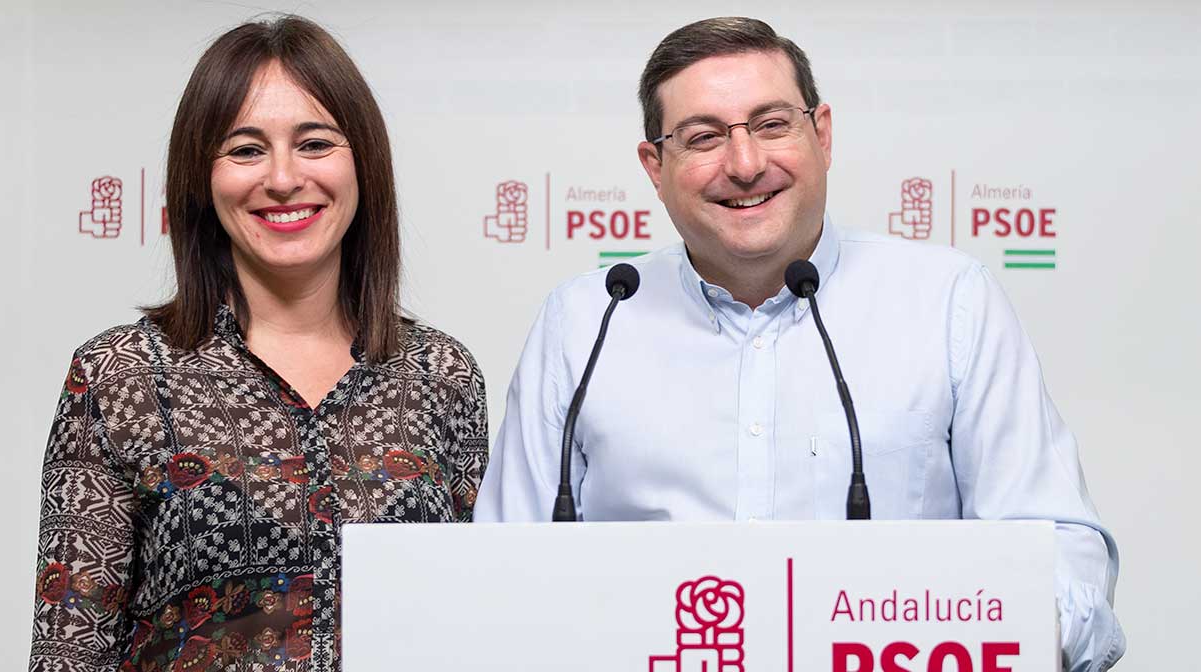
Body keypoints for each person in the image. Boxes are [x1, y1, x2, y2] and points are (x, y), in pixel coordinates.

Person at [474, 16, 1123, 671]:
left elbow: (1059, 549)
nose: (746, 164)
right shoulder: (585, 322)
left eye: (772, 124)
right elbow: (499, 573)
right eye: (703, 137)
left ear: (823, 134)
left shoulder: (949, 300)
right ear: (655, 165)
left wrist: (1003, 636)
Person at [30, 16, 488, 672]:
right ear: (202, 178)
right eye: (245, 149)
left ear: (363, 161)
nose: (281, 178)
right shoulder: (120, 376)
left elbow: (480, 623)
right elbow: (66, 650)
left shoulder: (443, 374)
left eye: (314, 143)